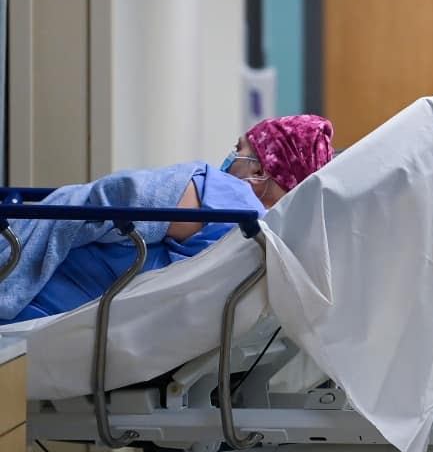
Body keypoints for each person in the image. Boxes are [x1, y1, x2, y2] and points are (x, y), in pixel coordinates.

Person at [0, 114, 334, 323]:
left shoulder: (222, 194)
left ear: (260, 170)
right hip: (86, 313)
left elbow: (108, 198)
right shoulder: (271, 238)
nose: (231, 156)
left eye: (240, 148)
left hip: (42, 300)